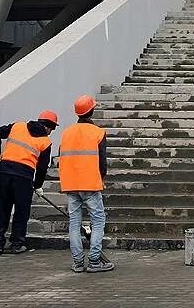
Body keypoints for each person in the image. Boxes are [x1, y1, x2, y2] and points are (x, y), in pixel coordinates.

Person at [0, 110, 58, 255]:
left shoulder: (18, 126)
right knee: (21, 211)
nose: (51, 132)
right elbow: (41, 168)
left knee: (1, 208)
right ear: (48, 127)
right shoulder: (45, 142)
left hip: (5, 172)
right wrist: (38, 186)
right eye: (52, 128)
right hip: (24, 176)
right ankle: (17, 244)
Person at [59, 95, 114, 273]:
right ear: (92, 111)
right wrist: (100, 178)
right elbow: (102, 163)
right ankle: (94, 261)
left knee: (74, 224)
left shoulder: (66, 132)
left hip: (70, 184)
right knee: (97, 222)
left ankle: (77, 262)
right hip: (90, 183)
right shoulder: (97, 132)